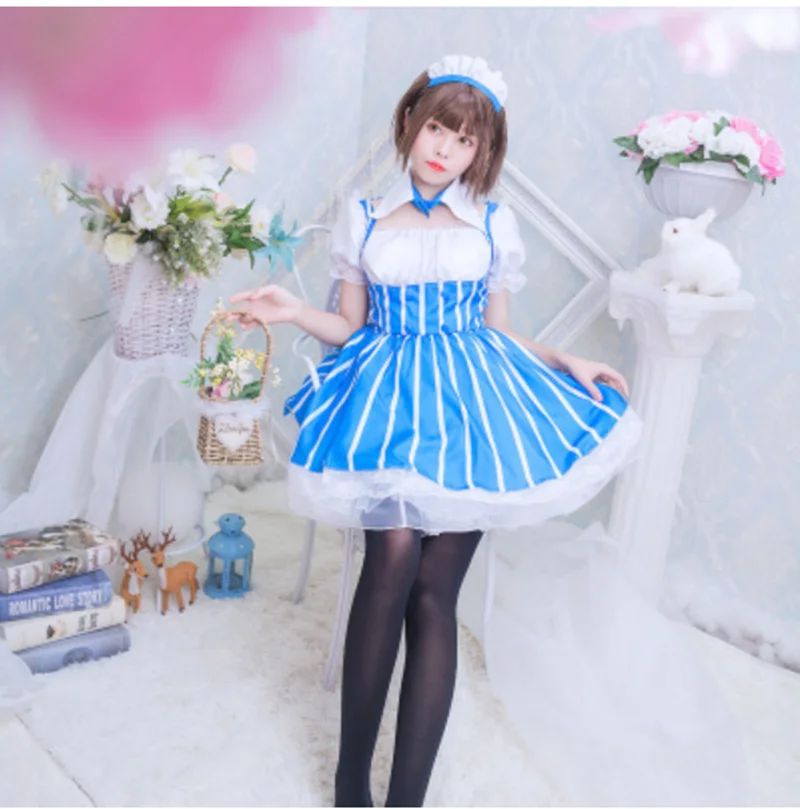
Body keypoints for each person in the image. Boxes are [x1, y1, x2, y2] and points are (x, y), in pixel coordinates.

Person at [231, 54, 642, 807]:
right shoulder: (363, 217)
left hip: (471, 407)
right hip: (388, 398)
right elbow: (351, 327)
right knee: (391, 554)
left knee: (432, 594)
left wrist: (565, 360)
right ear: (410, 123)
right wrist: (293, 312)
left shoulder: (492, 222)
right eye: (437, 130)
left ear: (481, 151)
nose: (445, 149)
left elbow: (499, 332)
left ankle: (407, 798)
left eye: (464, 139)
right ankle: (350, 781)